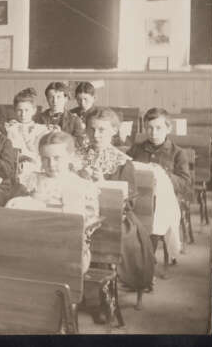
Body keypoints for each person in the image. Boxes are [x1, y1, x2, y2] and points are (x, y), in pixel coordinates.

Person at [77, 108, 154, 293]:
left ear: (113, 131)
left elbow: (130, 203)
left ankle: (101, 291)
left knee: (116, 235)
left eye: (102, 130)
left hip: (113, 214)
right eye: (92, 129)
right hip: (78, 209)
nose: (96, 135)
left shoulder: (122, 162)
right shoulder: (75, 156)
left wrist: (104, 184)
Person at [6, 131, 99, 273]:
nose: (51, 164)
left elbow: (75, 220)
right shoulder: (32, 180)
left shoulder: (78, 185)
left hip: (69, 248)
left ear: (70, 157)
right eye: (45, 159)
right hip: (30, 241)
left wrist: (39, 206)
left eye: (57, 158)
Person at [128, 108, 191, 202]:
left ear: (168, 129)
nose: (153, 133)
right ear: (144, 128)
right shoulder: (136, 149)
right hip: (139, 197)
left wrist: (164, 174)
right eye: (149, 128)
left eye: (158, 128)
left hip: (166, 199)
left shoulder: (178, 153)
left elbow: (185, 185)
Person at [4, 88, 50, 189]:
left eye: (26, 110)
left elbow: (43, 153)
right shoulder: (11, 129)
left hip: (37, 168)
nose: (23, 114)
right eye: (19, 110)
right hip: (16, 169)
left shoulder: (42, 129)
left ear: (34, 110)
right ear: (15, 110)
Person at [36, 81, 85, 145]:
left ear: (65, 99)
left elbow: (79, 143)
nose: (55, 101)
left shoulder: (75, 120)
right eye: (51, 97)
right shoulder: (38, 119)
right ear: (47, 99)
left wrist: (61, 136)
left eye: (58, 97)